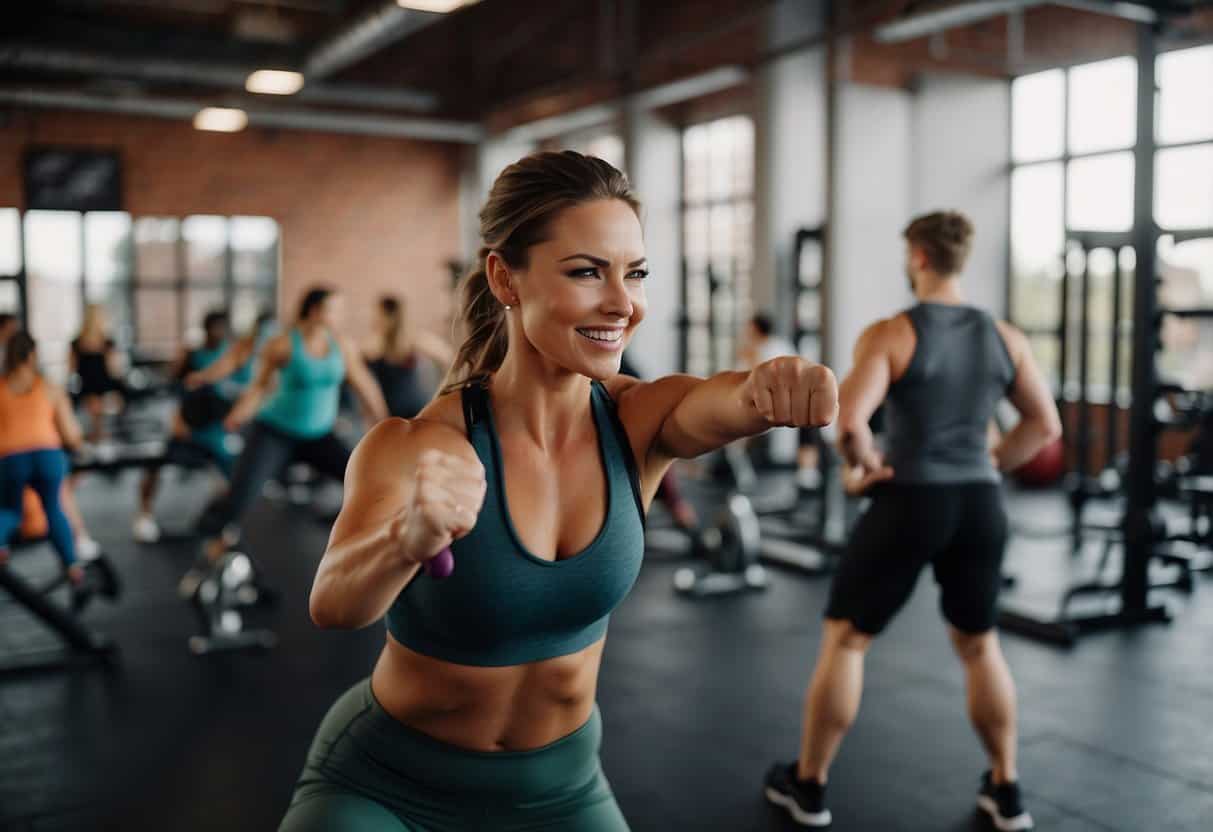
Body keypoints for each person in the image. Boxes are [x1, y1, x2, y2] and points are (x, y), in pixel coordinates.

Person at [278, 151, 838, 831]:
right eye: (585, 272)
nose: (622, 304)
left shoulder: (640, 421)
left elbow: (722, 401)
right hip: (389, 784)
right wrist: (404, 541)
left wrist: (767, 388)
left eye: (634, 274)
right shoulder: (418, 444)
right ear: (503, 278)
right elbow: (333, 602)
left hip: (559, 788)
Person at [763, 211, 1061, 831]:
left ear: (919, 257)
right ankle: (1006, 790)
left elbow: (849, 423)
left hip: (911, 499)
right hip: (980, 505)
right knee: (981, 644)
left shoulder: (892, 334)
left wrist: (863, 465)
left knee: (847, 638)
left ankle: (809, 786)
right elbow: (1046, 426)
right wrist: (991, 464)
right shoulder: (1006, 337)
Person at [181, 288, 388, 596]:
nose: (340, 317)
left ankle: (370, 564)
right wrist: (238, 415)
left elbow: (364, 383)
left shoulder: (341, 346)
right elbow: (259, 388)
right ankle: (208, 538)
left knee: (366, 485)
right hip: (275, 431)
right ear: (315, 311)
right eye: (334, 310)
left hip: (319, 436)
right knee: (240, 498)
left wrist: (385, 422)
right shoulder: (282, 345)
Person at [133, 310, 244, 543]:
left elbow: (244, 395)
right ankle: (144, 516)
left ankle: (221, 522)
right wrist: (177, 421)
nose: (218, 333)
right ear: (205, 330)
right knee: (153, 465)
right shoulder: (193, 356)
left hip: (218, 433)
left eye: (222, 329)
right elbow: (176, 389)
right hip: (188, 429)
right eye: (213, 328)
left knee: (234, 480)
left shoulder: (234, 357)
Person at [0, 333, 88, 585]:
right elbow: (71, 434)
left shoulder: (1, 387)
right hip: (48, 455)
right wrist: (79, 447)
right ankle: (72, 566)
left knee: (9, 511)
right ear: (32, 356)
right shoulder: (48, 386)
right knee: (54, 508)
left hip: (11, 458)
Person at [365, 295, 454, 419]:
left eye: (378, 315)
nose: (373, 319)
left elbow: (449, 359)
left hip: (416, 411)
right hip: (388, 415)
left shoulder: (415, 340)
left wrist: (444, 394)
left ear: (391, 317)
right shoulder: (371, 347)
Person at [70, 303, 124, 441]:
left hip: (88, 389)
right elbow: (114, 370)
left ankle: (95, 437)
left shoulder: (76, 343)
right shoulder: (108, 342)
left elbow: (72, 369)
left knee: (95, 411)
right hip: (100, 389)